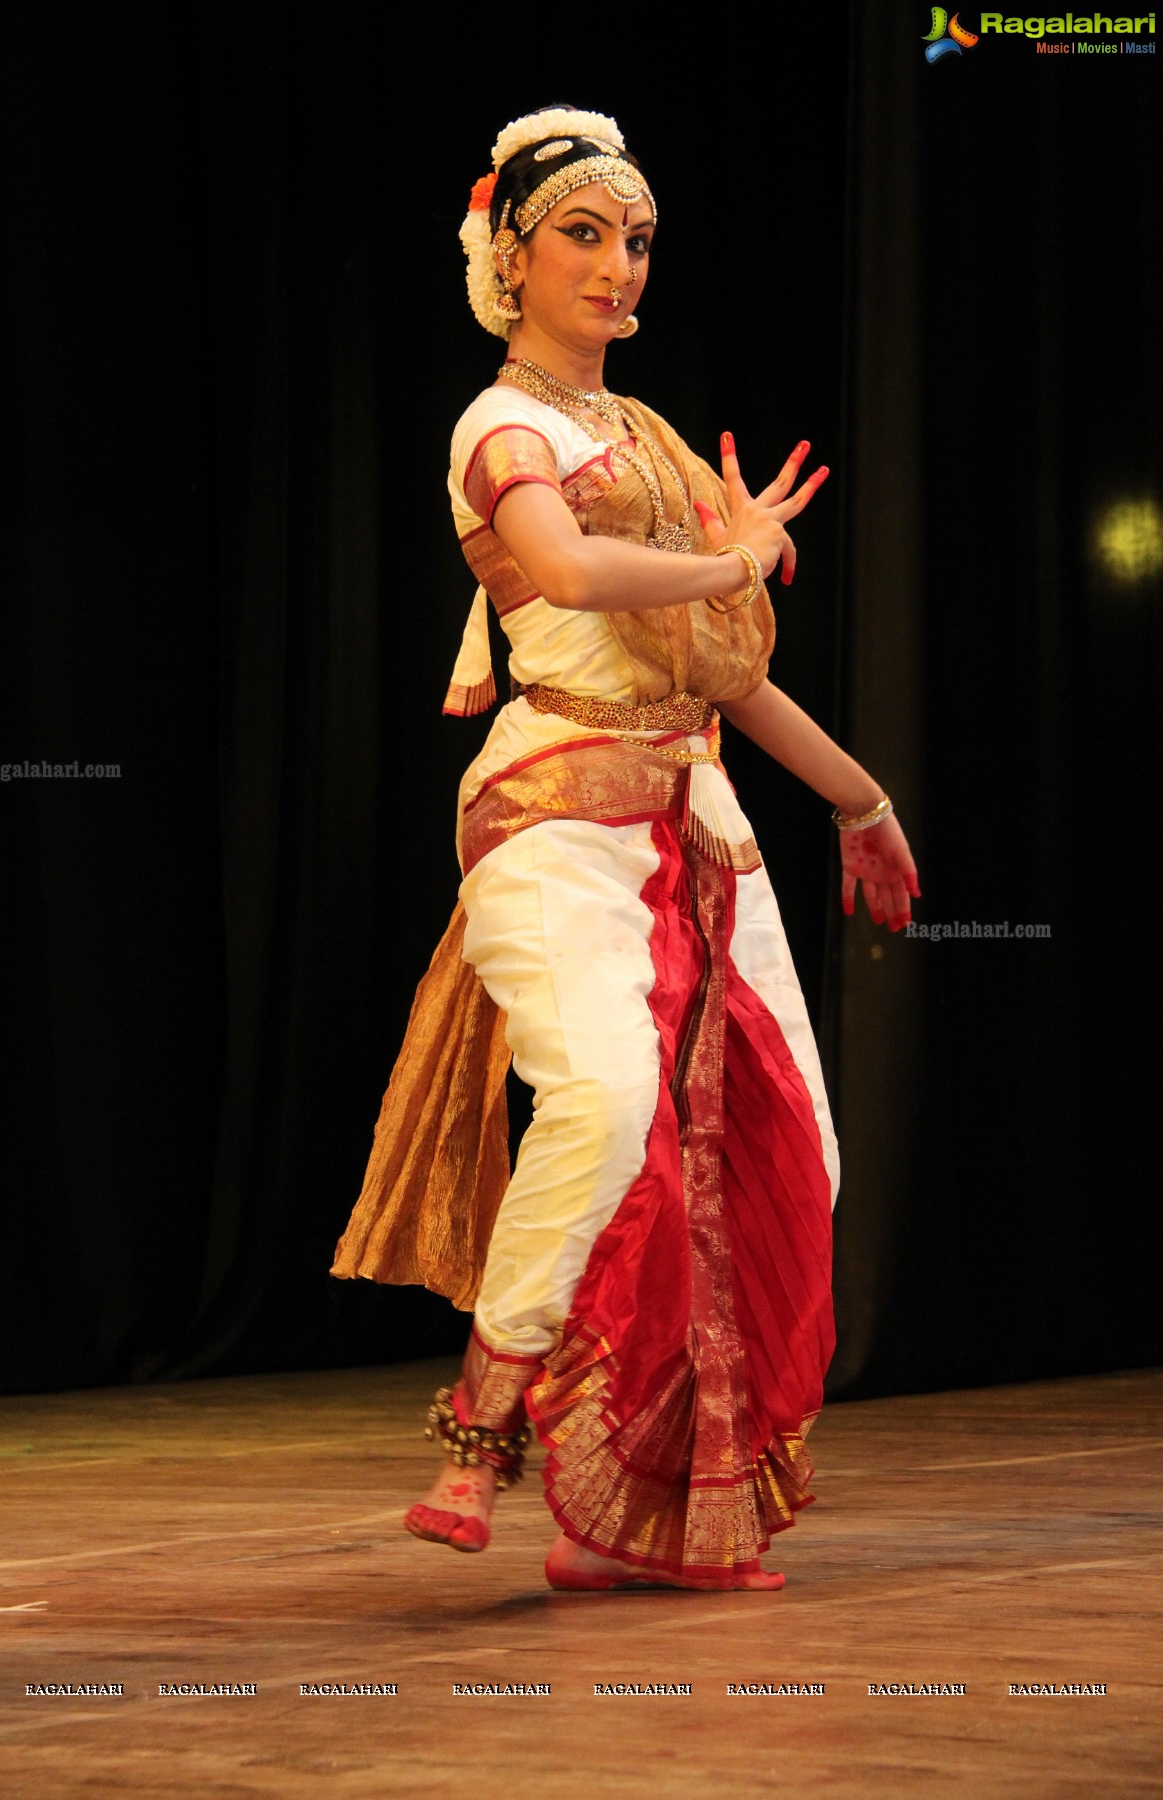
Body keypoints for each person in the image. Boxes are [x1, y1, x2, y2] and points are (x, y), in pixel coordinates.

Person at [331, 106, 920, 1592]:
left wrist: (861, 801)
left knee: (783, 1162)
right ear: (510, 256)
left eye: (636, 238)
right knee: (600, 1105)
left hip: (695, 822)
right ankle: (478, 1429)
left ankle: (634, 1518)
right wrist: (733, 553)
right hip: (547, 818)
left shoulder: (646, 436)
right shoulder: (498, 425)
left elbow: (726, 675)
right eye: (583, 233)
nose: (615, 262)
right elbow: (571, 569)